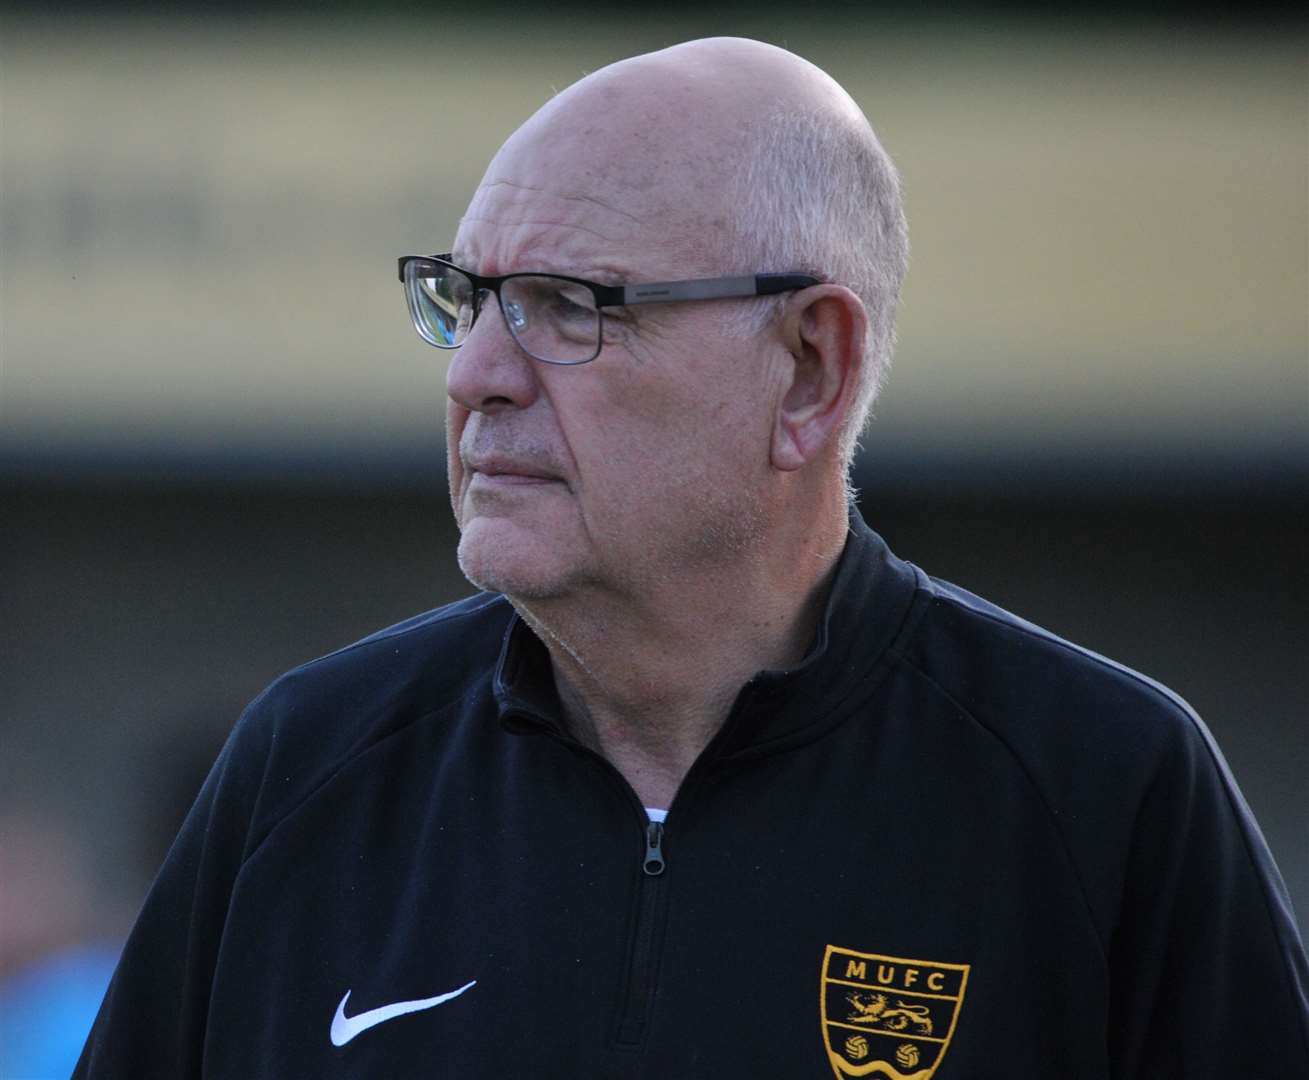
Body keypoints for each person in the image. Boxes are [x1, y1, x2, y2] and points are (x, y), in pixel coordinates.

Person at [76, 37, 1306, 1079]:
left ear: (809, 371)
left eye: (567, 305)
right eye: (466, 298)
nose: (474, 378)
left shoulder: (1103, 789)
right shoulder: (309, 767)